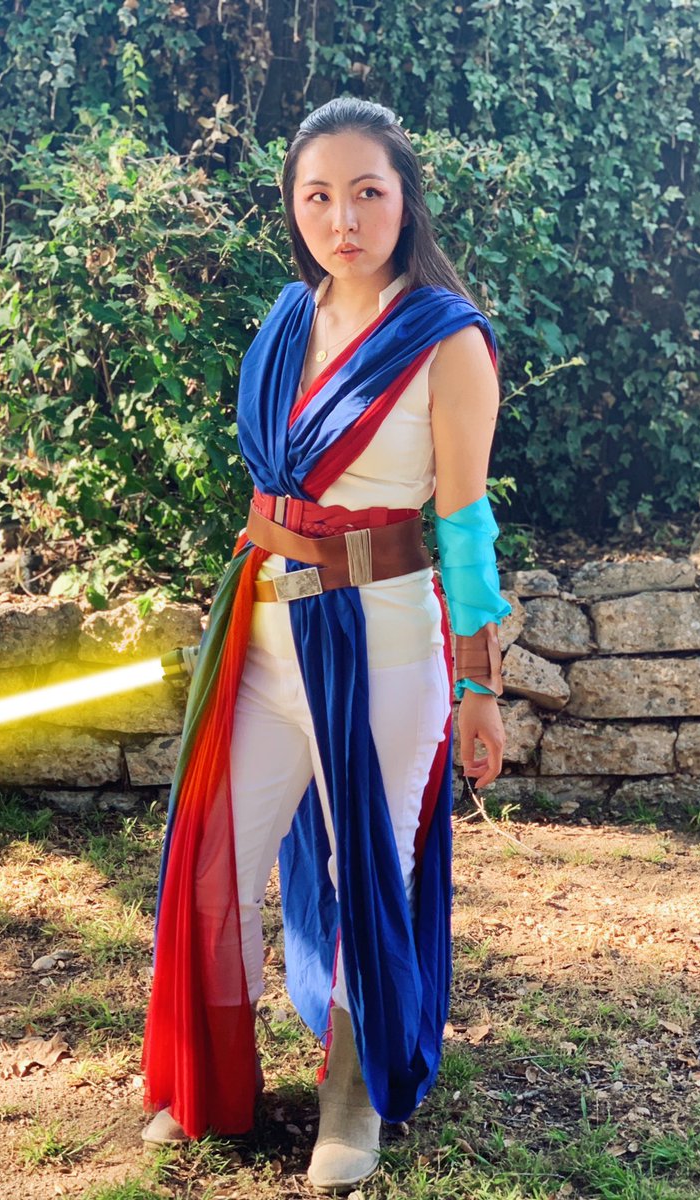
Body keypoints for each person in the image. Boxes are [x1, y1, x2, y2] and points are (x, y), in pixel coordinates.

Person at [140, 96, 512, 1194]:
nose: (342, 219)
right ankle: (212, 1078)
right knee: (210, 851)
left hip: (384, 646)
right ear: (293, 207)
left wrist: (480, 685)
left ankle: (353, 1098)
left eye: (366, 193)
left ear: (404, 200)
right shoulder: (284, 321)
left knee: (369, 872)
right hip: (262, 638)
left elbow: (466, 527)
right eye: (318, 196)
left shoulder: (447, 340)